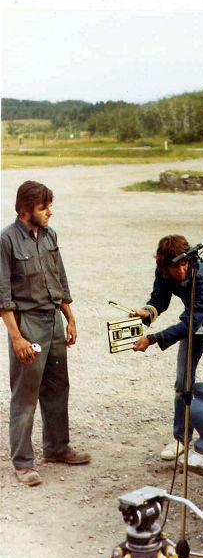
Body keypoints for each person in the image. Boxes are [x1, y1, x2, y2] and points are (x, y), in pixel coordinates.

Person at [0, 181, 90, 487]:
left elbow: (59, 278)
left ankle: (57, 448)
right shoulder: (6, 240)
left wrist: (70, 318)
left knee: (57, 388)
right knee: (25, 397)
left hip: (54, 322)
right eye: (43, 208)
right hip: (28, 325)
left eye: (50, 206)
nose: (50, 212)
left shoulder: (50, 235)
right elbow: (2, 294)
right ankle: (23, 464)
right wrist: (16, 337)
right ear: (25, 210)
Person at [132, 235, 203, 460]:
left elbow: (189, 324)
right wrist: (148, 311)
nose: (180, 270)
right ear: (164, 266)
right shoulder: (163, 271)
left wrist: (151, 339)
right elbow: (159, 299)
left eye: (184, 264)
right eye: (175, 266)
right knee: (183, 382)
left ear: (190, 259)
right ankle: (181, 439)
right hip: (192, 322)